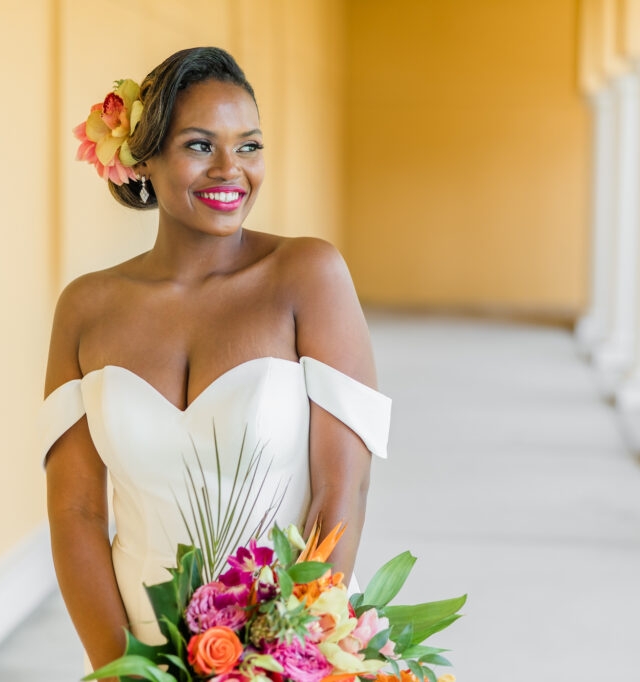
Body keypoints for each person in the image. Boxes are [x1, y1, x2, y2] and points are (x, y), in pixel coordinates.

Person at [37, 46, 392, 677]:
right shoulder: (85, 308)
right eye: (200, 145)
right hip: (137, 649)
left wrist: (286, 656)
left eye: (249, 146)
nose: (231, 169)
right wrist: (120, 668)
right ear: (142, 157)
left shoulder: (308, 275)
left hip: (294, 638)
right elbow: (77, 513)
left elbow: (342, 490)